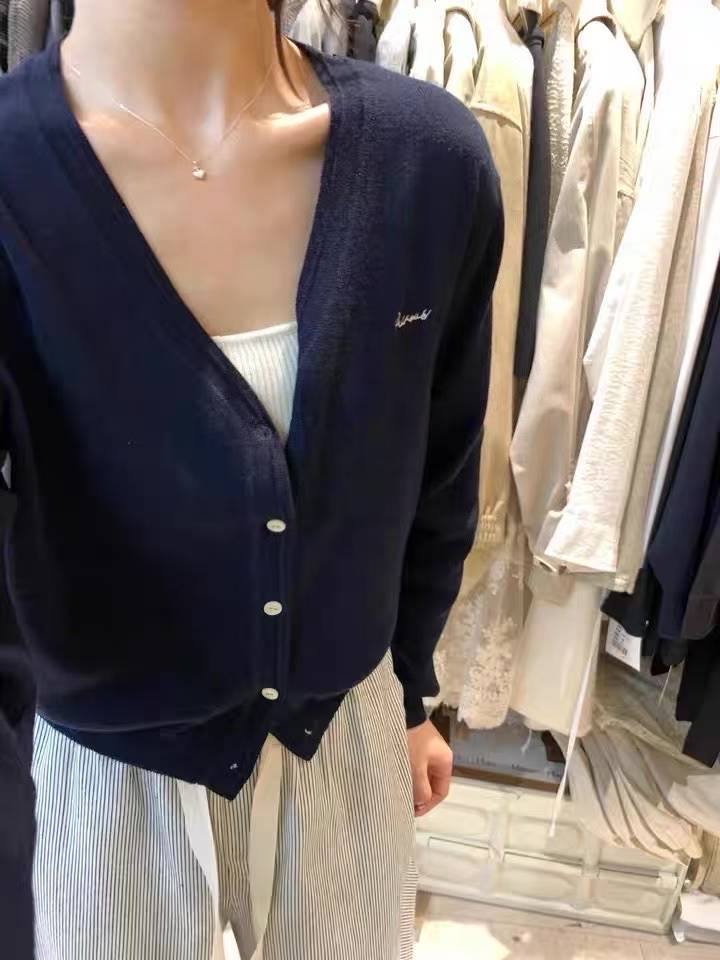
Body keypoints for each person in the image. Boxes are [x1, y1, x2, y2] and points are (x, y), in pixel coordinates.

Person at [0, 1, 503, 957]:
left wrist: (409, 696)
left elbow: (440, 476)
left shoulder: (428, 164)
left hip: (346, 732)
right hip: (101, 774)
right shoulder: (15, 175)